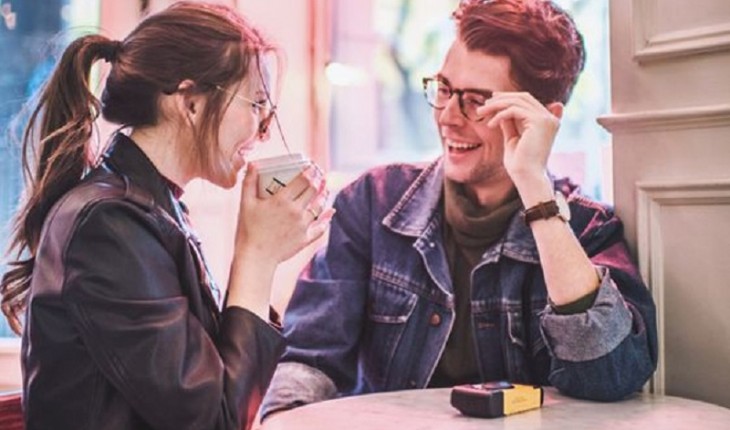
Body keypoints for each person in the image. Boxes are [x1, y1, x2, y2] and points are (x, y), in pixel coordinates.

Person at [261, 0, 657, 419]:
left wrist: (536, 191)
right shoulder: (372, 203)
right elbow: (309, 358)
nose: (448, 117)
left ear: (543, 119)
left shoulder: (587, 229)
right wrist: (282, 421)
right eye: (445, 89)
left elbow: (610, 375)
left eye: (477, 101)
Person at [0, 2, 331, 429]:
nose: (265, 131)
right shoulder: (109, 225)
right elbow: (216, 420)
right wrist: (257, 257)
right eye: (256, 105)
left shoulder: (149, 209)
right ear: (190, 103)